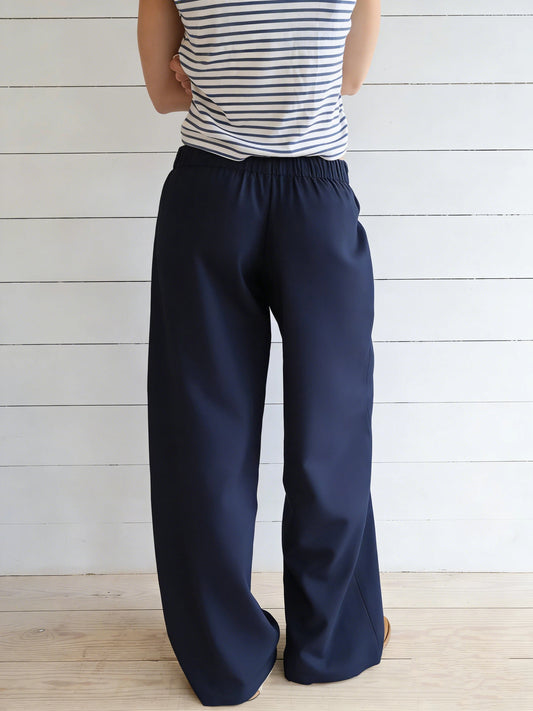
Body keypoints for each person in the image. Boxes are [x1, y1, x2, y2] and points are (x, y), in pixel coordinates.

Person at [137, 0, 388, 706]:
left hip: (208, 199)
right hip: (316, 204)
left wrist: (220, 72)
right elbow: (349, 79)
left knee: (202, 439)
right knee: (331, 432)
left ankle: (221, 657)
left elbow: (163, 93)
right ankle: (329, 642)